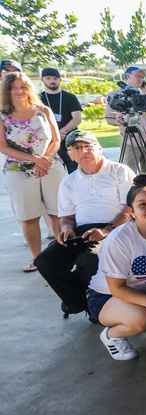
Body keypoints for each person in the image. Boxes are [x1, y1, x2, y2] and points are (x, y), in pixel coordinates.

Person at [36, 130, 135, 315]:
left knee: (90, 259)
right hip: (81, 231)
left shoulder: (120, 171)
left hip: (116, 229)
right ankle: (81, 301)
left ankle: (84, 303)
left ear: (99, 148)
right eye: (76, 148)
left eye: (88, 146)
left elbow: (131, 209)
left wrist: (108, 229)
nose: (83, 151)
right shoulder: (68, 182)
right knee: (45, 260)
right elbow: (66, 217)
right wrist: (66, 229)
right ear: (70, 155)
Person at [87, 175, 146, 360]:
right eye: (142, 204)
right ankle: (112, 336)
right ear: (131, 211)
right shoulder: (120, 239)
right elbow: (117, 287)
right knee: (142, 320)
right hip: (107, 296)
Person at [0, 72, 66, 271]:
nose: (19, 91)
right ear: (6, 90)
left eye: (23, 86)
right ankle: (38, 259)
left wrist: (43, 160)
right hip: (18, 169)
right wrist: (34, 160)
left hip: (50, 166)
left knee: (59, 214)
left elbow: (56, 140)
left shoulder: (43, 111)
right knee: (29, 217)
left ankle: (61, 256)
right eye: (13, 87)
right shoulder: (3, 115)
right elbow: (3, 147)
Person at [105, 66, 146, 175]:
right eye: (138, 76)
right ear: (128, 76)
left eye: (142, 77)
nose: (141, 79)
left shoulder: (142, 94)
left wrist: (145, 91)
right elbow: (109, 119)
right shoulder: (115, 95)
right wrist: (120, 121)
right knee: (129, 174)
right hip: (130, 140)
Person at [39, 68, 82, 173]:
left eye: (55, 78)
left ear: (60, 80)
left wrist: (61, 132)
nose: (52, 81)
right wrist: (54, 135)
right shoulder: (37, 98)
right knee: (55, 174)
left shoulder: (70, 97)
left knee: (77, 172)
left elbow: (77, 118)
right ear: (42, 80)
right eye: (48, 78)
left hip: (70, 140)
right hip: (49, 142)